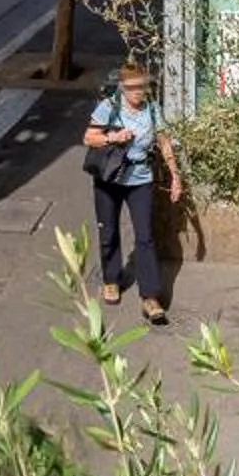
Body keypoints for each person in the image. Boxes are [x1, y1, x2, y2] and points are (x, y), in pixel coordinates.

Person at [83, 62, 183, 325]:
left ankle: (150, 297)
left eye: (143, 86)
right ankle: (111, 279)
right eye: (133, 88)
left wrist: (175, 175)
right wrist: (112, 138)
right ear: (123, 88)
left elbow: (163, 141)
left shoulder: (152, 110)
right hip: (109, 179)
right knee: (109, 231)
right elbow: (89, 137)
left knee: (145, 236)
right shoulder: (110, 107)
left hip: (141, 179)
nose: (139, 92)